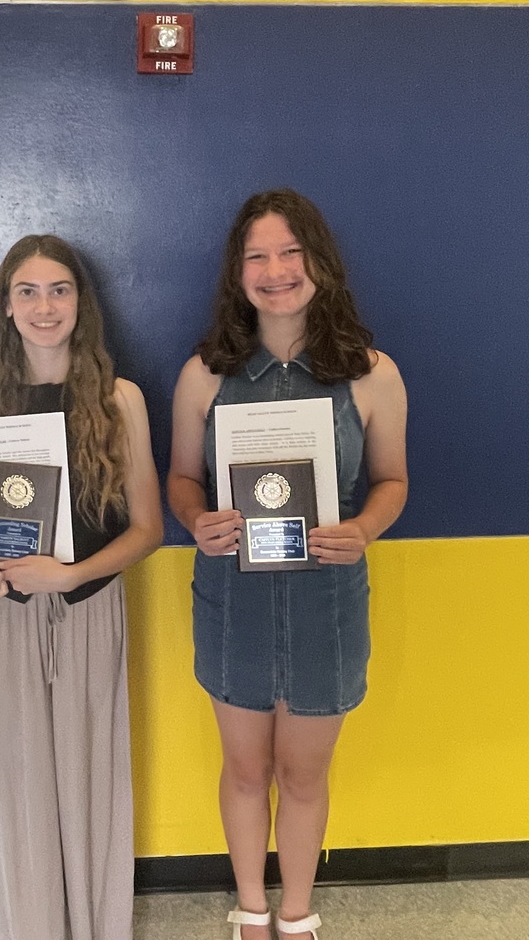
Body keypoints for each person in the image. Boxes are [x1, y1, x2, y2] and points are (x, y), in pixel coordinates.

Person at [167, 190, 407, 940]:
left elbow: (394, 482)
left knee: (304, 776)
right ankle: (249, 909)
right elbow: (180, 479)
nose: (276, 271)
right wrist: (195, 520)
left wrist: (363, 528)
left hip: (327, 605)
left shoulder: (372, 374)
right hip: (233, 601)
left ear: (320, 263)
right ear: (238, 275)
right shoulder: (204, 375)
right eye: (257, 257)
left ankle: (297, 916)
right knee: (244, 771)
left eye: (291, 253)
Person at [0, 234, 163, 940]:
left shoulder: (118, 399)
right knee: (19, 780)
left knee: (90, 777)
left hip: (89, 611)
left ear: (82, 303)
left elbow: (147, 530)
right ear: (6, 308)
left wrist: (69, 575)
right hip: (4, 620)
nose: (45, 306)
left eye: (59, 290)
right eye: (28, 292)